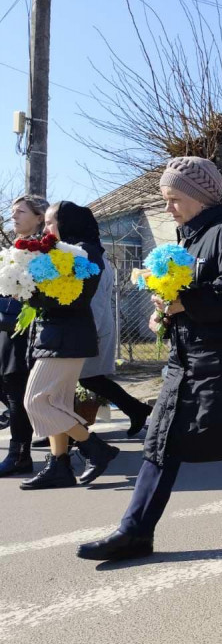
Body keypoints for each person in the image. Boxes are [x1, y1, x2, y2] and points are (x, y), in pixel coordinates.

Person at [77, 157, 222, 560]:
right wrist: (165, 307)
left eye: (174, 200)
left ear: (200, 197)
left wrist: (185, 302)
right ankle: (136, 532)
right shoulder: (194, 235)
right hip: (191, 358)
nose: (169, 209)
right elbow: (194, 290)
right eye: (166, 200)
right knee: (163, 439)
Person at [19, 202, 118, 490]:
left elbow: (73, 298)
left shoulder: (84, 251)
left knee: (35, 401)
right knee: (56, 403)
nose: (46, 229)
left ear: (68, 222)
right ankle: (59, 465)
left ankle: (95, 448)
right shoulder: (67, 249)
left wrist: (28, 293)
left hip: (67, 337)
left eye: (51, 223)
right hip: (59, 336)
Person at [78, 249, 154, 439]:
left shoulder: (90, 256)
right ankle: (136, 409)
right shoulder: (89, 254)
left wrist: (88, 332)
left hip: (92, 329)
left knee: (87, 378)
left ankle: (65, 431)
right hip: (91, 327)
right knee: (87, 378)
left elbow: (96, 302)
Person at [0, 195, 47, 477]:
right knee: (10, 389)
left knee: (17, 391)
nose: (13, 216)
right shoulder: (14, 247)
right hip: (7, 326)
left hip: (25, 328)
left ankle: (19, 455)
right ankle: (86, 443)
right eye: (12, 212)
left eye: (20, 212)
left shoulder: (45, 249)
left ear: (39, 217)